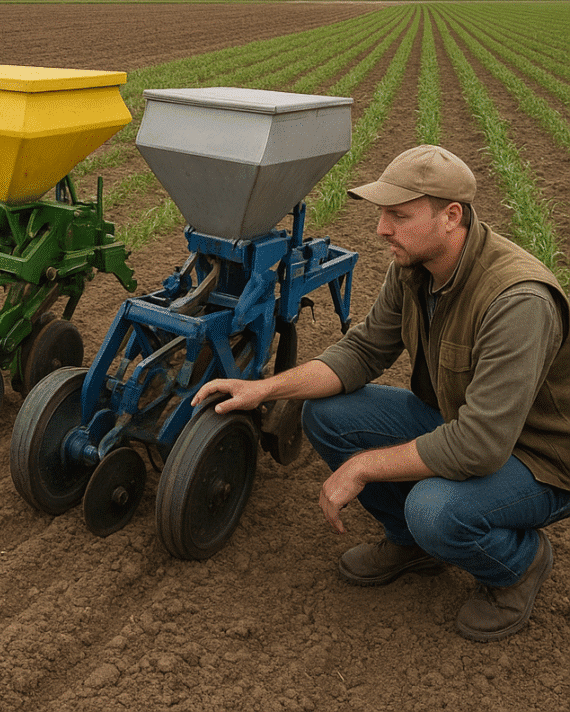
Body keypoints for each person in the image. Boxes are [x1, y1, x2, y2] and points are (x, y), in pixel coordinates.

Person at [194, 144, 570, 641]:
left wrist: (362, 467)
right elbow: (363, 351)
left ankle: (519, 564)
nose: (381, 229)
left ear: (450, 216)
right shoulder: (415, 268)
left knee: (433, 509)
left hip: (539, 459)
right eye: (382, 213)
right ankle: (411, 545)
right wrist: (265, 389)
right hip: (463, 424)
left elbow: (480, 445)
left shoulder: (517, 301)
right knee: (324, 413)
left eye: (399, 215)